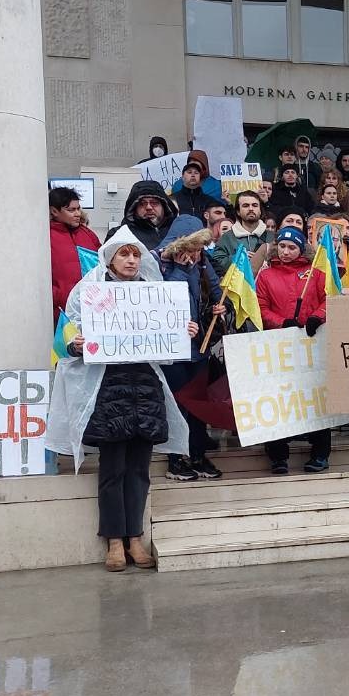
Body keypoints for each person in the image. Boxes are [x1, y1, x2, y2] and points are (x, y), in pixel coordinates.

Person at [47, 229, 176, 571]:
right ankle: (114, 540)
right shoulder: (88, 292)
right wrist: (74, 344)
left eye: (136, 254)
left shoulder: (153, 293)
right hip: (108, 389)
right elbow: (66, 336)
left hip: (145, 388)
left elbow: (168, 343)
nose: (131, 261)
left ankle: (136, 538)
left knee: (139, 469)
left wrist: (183, 331)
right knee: (112, 468)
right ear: (110, 258)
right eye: (124, 254)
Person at [255, 225, 332, 474]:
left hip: (311, 343)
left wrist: (318, 316)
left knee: (315, 398)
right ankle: (277, 455)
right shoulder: (266, 276)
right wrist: (281, 323)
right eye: (282, 246)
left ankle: (320, 453)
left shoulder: (315, 273)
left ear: (301, 249)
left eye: (291, 247)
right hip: (279, 346)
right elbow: (260, 307)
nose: (286, 252)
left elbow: (329, 297)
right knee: (278, 399)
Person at [159, 219, 226, 482]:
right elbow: (169, 296)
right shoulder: (160, 264)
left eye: (199, 248)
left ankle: (198, 455)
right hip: (173, 352)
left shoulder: (202, 263)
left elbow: (216, 292)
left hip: (199, 347)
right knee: (178, 405)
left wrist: (221, 306)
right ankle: (175, 459)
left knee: (199, 404)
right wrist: (181, 269)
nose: (196, 253)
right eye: (192, 247)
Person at [49, 187, 101, 316]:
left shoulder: (88, 234)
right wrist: (58, 296)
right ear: (54, 211)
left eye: (78, 208)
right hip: (60, 310)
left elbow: (103, 264)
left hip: (92, 307)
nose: (77, 213)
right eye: (71, 210)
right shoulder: (46, 237)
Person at [212, 190, 269, 277]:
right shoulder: (227, 237)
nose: (251, 208)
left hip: (266, 284)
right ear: (238, 211)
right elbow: (216, 264)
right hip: (237, 284)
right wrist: (238, 258)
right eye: (246, 205)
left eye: (255, 205)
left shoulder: (271, 236)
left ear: (260, 210)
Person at [120, 180, 178, 255]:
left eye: (154, 203)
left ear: (164, 207)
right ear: (134, 208)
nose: (149, 207)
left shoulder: (179, 231)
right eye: (142, 204)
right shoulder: (121, 235)